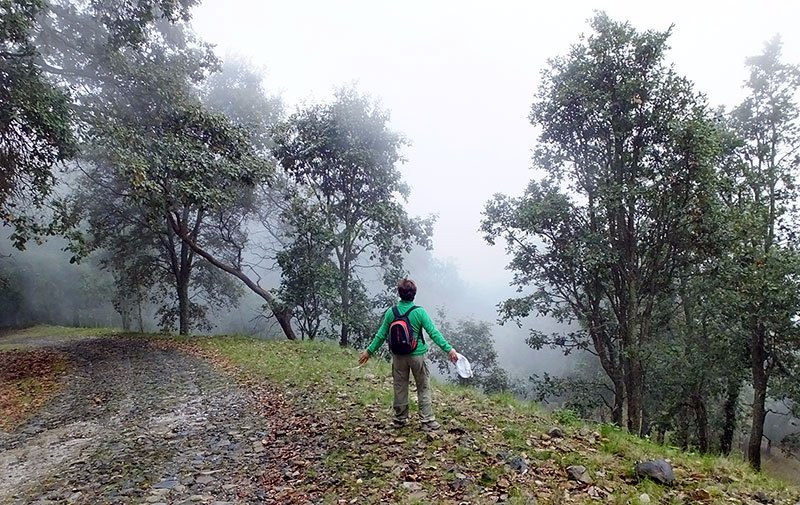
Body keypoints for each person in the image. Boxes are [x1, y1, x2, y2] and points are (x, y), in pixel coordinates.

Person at [359, 278, 458, 431]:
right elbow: (433, 333)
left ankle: (400, 419)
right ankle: (427, 421)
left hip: (398, 356)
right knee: (423, 386)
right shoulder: (419, 312)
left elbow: (381, 335)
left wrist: (368, 351)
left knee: (400, 386)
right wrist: (449, 349)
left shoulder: (391, 312)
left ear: (399, 293)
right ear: (414, 294)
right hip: (417, 355)